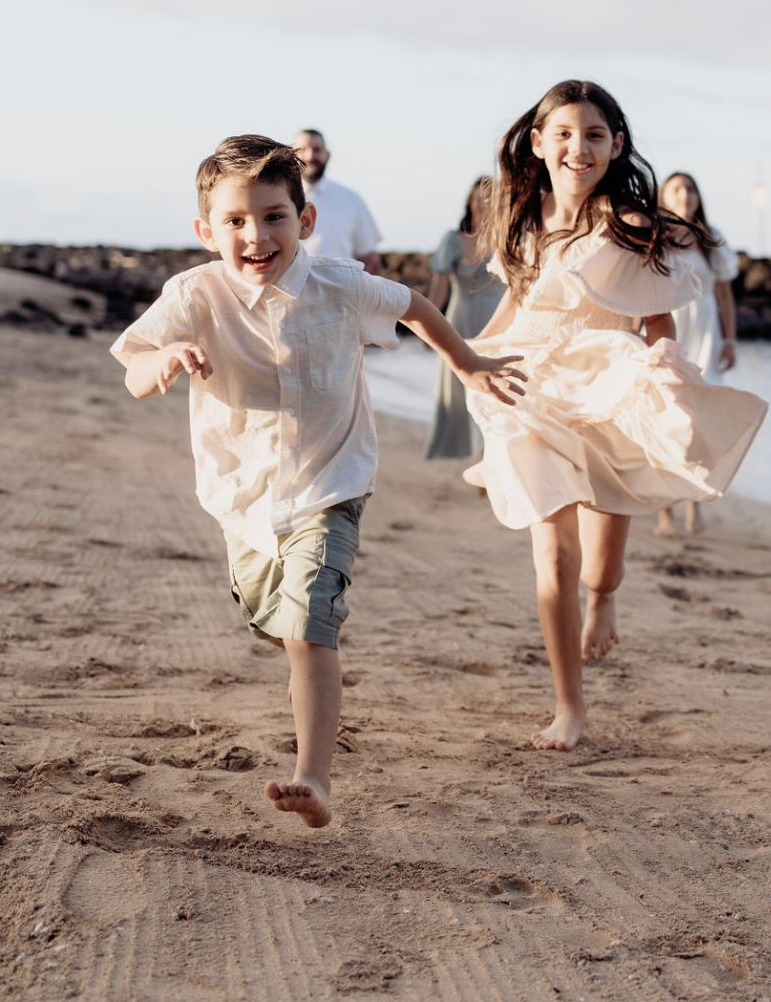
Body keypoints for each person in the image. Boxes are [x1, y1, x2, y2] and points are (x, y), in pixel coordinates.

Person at [110, 136, 524, 829]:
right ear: (206, 231)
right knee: (272, 620)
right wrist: (165, 362)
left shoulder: (339, 283)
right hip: (241, 494)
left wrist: (468, 363)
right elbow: (133, 369)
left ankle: (314, 776)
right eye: (236, 221)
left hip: (331, 480)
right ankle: (308, 659)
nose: (256, 235)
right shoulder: (195, 293)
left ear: (304, 222)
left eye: (274, 217)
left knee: (308, 625)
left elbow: (416, 306)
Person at [463, 80, 768, 752]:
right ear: (538, 143)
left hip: (603, 387)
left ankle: (603, 597)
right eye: (564, 134)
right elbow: (516, 307)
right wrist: (470, 357)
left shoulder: (627, 224)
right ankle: (569, 707)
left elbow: (658, 318)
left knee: (599, 569)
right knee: (554, 551)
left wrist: (665, 377)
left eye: (595, 135)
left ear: (616, 145)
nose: (579, 147)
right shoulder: (519, 218)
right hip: (528, 389)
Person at [655, 171, 741, 537]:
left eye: (690, 188)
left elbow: (724, 295)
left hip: (706, 333)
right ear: (664, 196)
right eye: (676, 188)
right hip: (670, 330)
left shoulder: (712, 239)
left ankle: (694, 508)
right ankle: (665, 513)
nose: (684, 194)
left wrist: (731, 340)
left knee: (699, 425)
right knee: (666, 420)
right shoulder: (655, 236)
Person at [425, 176, 506, 459]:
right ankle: (469, 451)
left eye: (492, 198)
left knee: (497, 389)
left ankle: (489, 454)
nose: (484, 203)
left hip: (500, 324)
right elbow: (439, 288)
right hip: (460, 324)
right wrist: (428, 328)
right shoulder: (453, 240)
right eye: (478, 197)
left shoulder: (509, 240)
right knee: (460, 392)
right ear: (469, 201)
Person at [293, 128, 383, 274]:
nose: (310, 156)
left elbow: (369, 259)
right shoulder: (277, 200)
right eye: (302, 150)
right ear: (292, 155)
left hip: (339, 294)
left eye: (316, 149)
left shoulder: (351, 199)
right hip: (288, 294)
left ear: (327, 155)